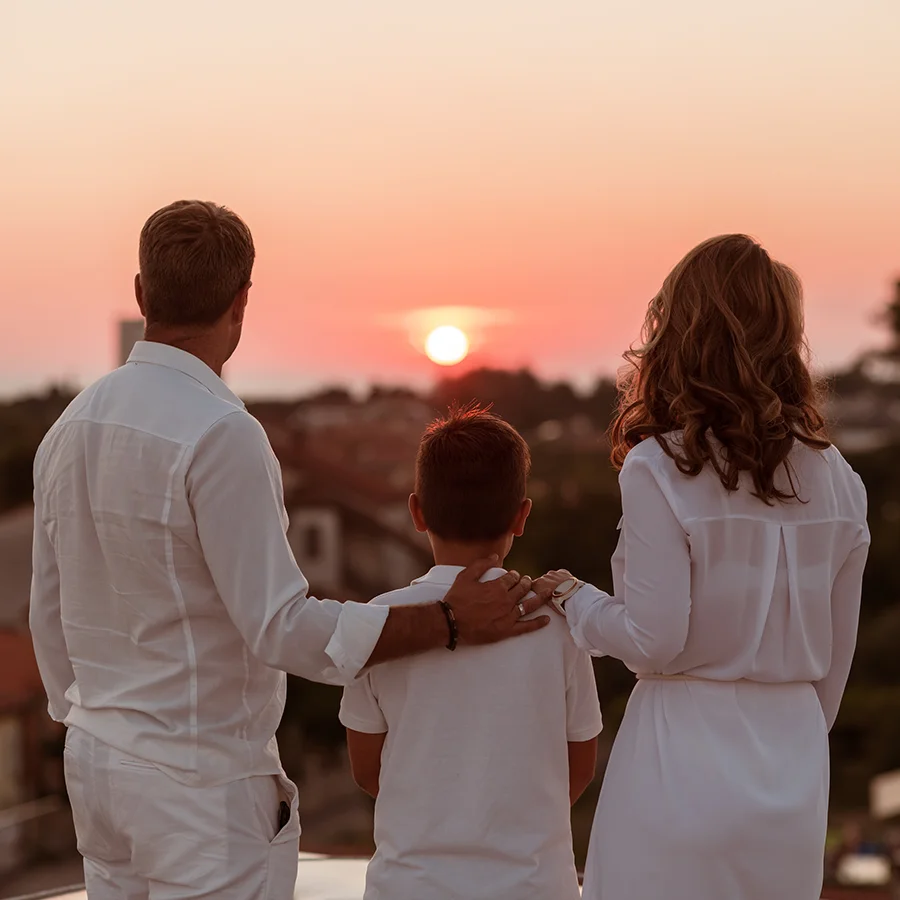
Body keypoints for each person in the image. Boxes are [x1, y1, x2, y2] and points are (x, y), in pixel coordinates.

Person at [29, 200, 551, 900]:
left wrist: (89, 724)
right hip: (197, 787)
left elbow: (48, 612)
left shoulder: (69, 427)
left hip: (97, 770)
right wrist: (447, 620)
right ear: (241, 302)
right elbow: (281, 628)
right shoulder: (221, 434)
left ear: (142, 293)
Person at [542, 235, 869, 900]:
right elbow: (833, 670)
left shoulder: (658, 467)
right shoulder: (841, 479)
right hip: (794, 769)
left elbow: (652, 637)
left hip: (681, 757)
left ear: (680, 331)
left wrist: (575, 601)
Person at [340, 405, 602, 900]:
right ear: (521, 516)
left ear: (417, 512)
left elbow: (367, 771)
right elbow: (580, 767)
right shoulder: (561, 626)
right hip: (533, 887)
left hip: (409, 887)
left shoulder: (380, 623)